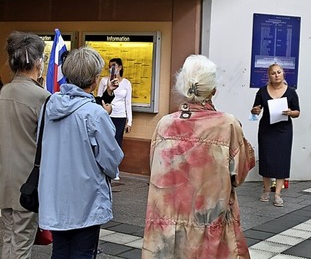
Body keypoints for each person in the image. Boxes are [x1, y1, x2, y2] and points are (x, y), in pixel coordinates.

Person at [142, 55, 255, 258]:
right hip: (210, 224)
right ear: (213, 90)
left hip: (167, 227)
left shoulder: (165, 124)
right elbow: (239, 174)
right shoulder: (227, 125)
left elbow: (154, 169)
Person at [38, 47, 124, 258]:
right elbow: (111, 158)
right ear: (95, 79)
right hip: (86, 198)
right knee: (83, 252)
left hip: (55, 195)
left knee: (60, 251)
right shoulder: (94, 113)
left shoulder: (49, 105)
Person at [0, 31, 51, 259]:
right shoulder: (42, 97)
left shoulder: (4, 91)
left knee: (7, 238)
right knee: (21, 244)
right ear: (38, 62)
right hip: (27, 183)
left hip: (4, 180)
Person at [251, 63, 300, 207]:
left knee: (282, 159)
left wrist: (291, 112)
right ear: (269, 75)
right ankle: (266, 190)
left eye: (279, 72)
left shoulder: (291, 92)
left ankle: (278, 194)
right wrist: (255, 110)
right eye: (273, 73)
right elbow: (255, 110)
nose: (276, 75)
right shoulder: (262, 91)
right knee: (266, 158)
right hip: (267, 129)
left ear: (283, 74)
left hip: (284, 130)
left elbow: (297, 112)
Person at [96, 58, 132, 178]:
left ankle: (115, 168)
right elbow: (100, 97)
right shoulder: (104, 80)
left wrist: (129, 121)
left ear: (120, 67)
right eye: (110, 66)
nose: (112, 68)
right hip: (106, 113)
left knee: (117, 141)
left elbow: (128, 102)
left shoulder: (126, 83)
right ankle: (106, 166)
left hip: (120, 115)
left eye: (114, 66)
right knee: (106, 140)